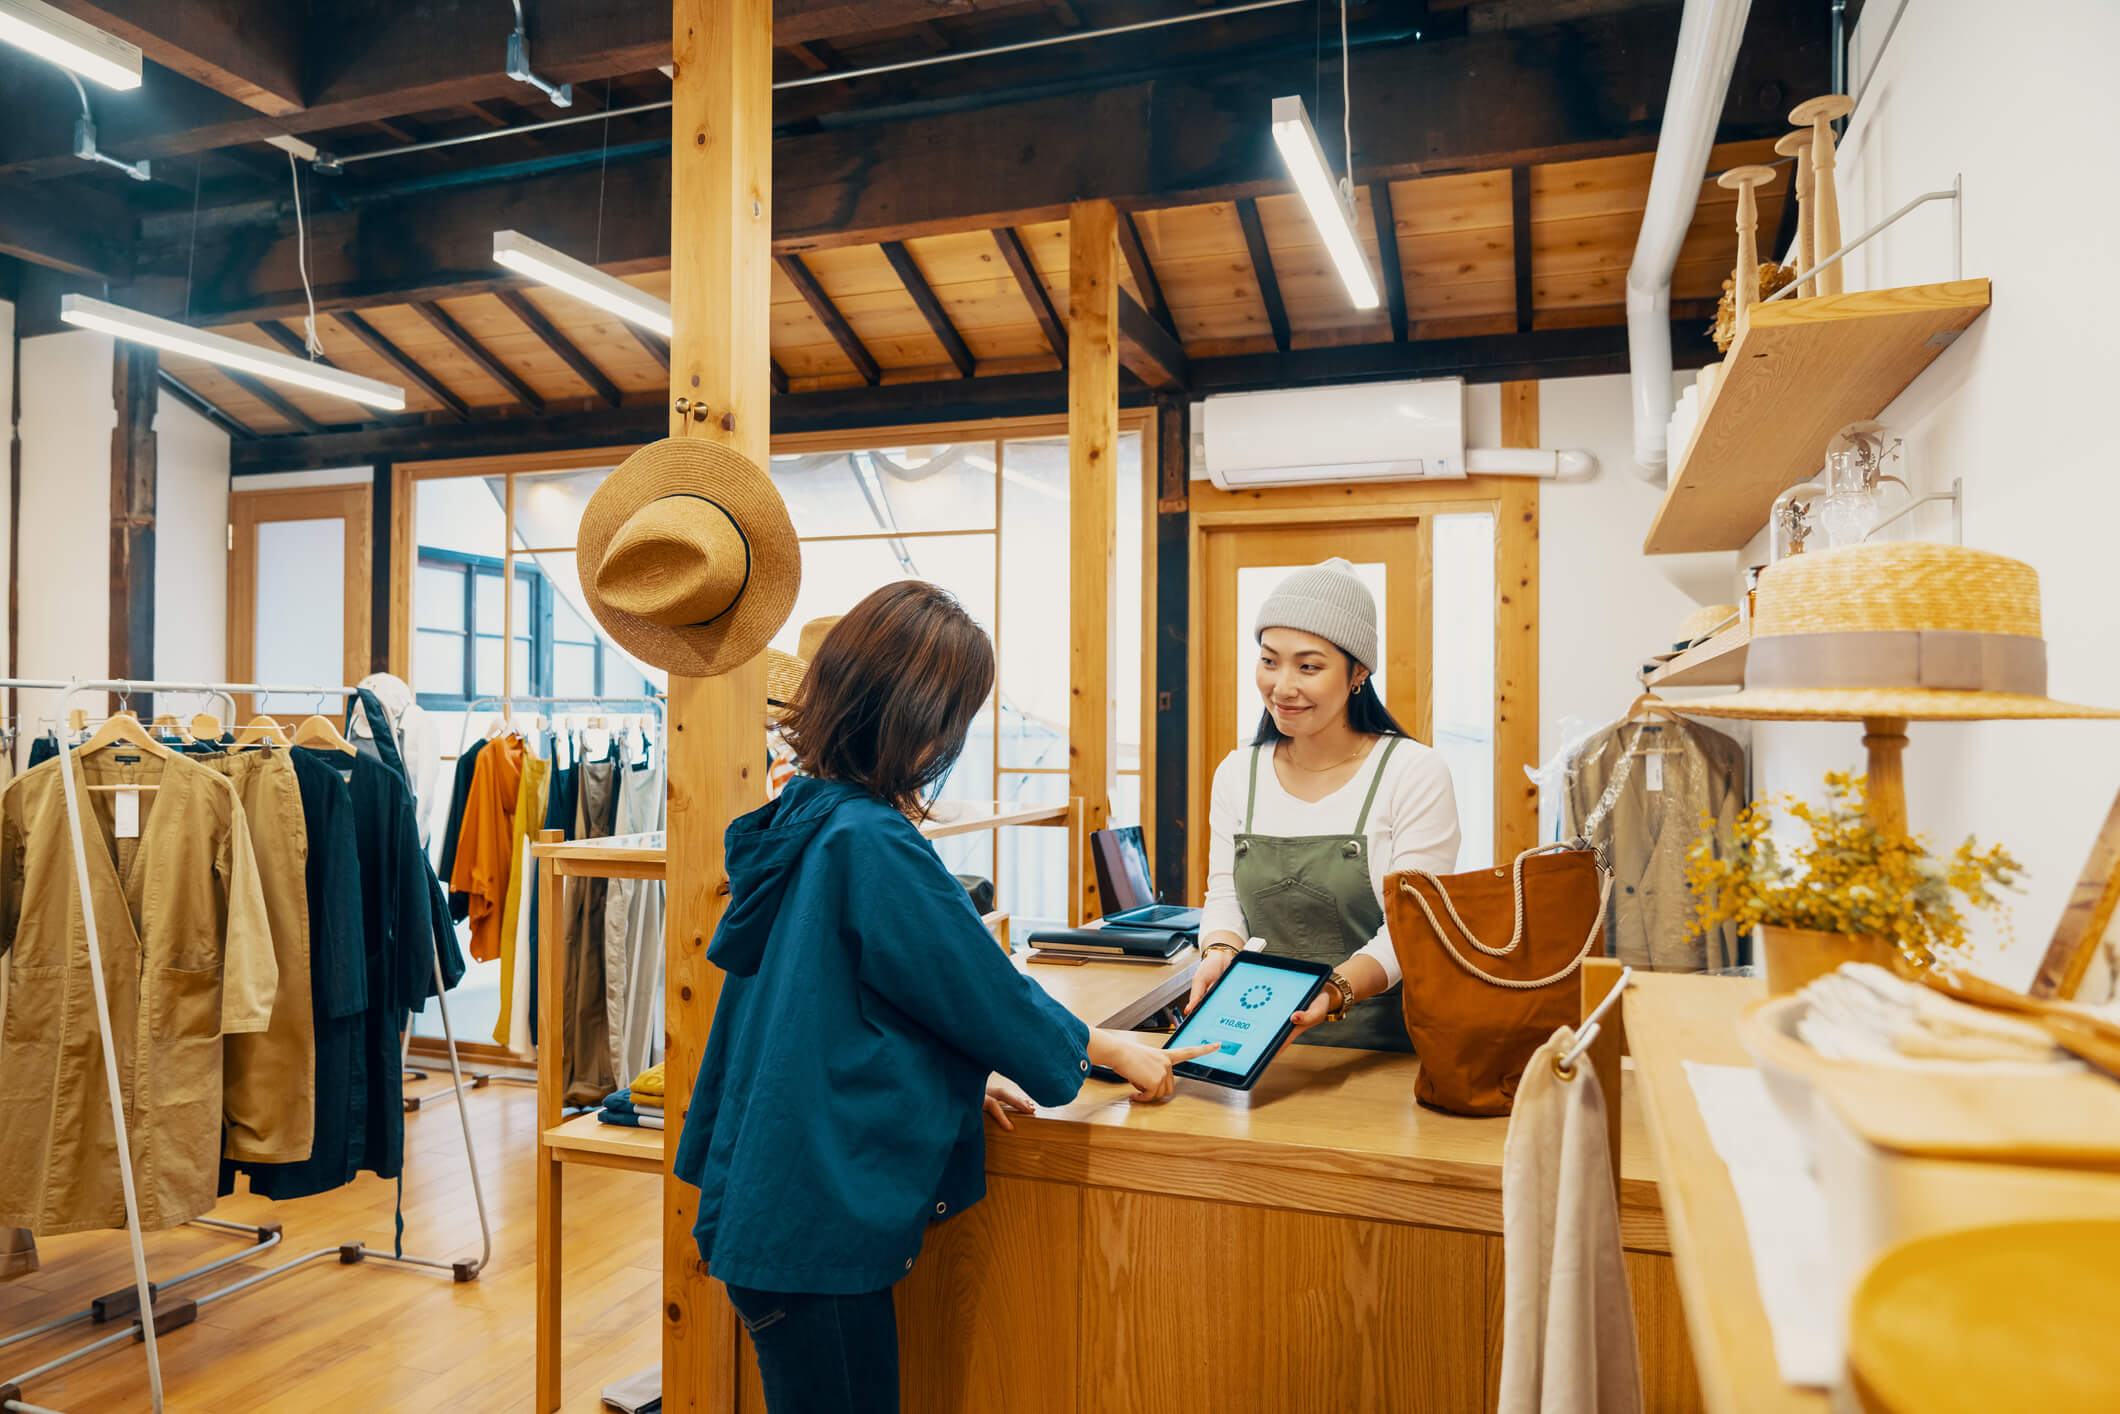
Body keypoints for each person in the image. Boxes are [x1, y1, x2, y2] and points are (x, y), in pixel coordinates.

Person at [674, 580, 1212, 1414]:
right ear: (924, 722)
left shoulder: (808, 814)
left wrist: (968, 1074)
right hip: (812, 1221)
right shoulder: (872, 841)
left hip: (768, 1200)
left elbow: (863, 1006)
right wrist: (1114, 1049)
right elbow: (984, 995)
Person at [1188, 558, 1462, 1053]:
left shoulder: (1412, 772)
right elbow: (1224, 892)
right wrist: (1219, 950)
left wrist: (1336, 990)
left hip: (1384, 1049)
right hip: (1252, 1037)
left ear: (1358, 671)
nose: (1282, 686)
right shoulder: (1237, 773)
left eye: (1308, 666)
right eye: (1269, 660)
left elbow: (1414, 928)